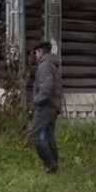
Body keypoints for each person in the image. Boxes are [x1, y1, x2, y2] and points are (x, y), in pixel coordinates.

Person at [30, 41, 63, 173]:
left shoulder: (45, 66)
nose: (35, 56)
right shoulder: (52, 65)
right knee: (49, 136)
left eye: (36, 53)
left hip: (45, 106)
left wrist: (36, 101)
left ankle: (50, 164)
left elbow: (46, 87)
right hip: (52, 106)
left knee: (36, 136)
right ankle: (54, 164)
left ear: (40, 52)